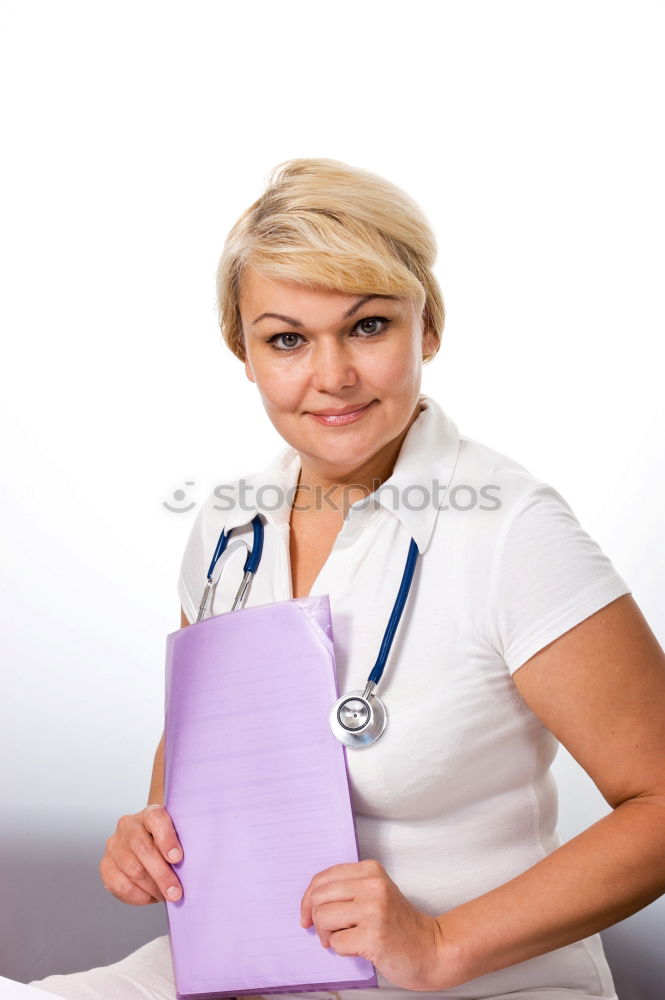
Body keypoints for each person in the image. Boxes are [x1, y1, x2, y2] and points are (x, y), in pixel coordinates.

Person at [30, 158, 665, 1000]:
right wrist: (153, 835)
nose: (330, 376)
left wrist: (439, 944)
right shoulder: (227, 529)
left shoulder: (510, 532)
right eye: (287, 338)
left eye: (367, 327)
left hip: (481, 983)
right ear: (244, 353)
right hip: (253, 970)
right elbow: (205, 748)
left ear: (427, 327)